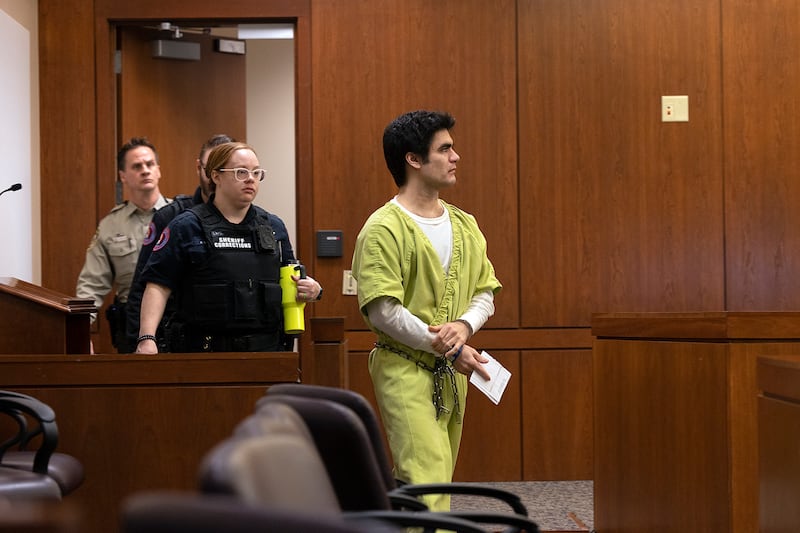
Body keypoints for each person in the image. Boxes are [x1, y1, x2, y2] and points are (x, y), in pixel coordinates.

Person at [351, 110, 501, 512]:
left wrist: (465, 327)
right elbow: (383, 310)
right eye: (445, 148)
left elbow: (485, 292)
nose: (456, 157)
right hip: (404, 367)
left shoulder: (465, 224)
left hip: (452, 372)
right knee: (426, 477)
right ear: (413, 160)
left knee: (440, 477)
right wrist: (449, 346)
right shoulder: (383, 228)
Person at [135, 141, 322, 354]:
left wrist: (312, 289)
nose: (250, 178)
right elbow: (158, 286)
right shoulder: (186, 225)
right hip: (203, 353)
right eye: (241, 172)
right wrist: (146, 338)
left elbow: (291, 279)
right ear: (216, 176)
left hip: (266, 351)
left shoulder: (272, 226)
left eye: (256, 172)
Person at [124, 134, 235, 352]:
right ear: (199, 167)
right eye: (209, 169)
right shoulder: (171, 218)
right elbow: (143, 287)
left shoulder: (254, 222)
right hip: (179, 340)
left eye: (223, 169)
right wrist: (139, 342)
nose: (215, 178)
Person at [76, 137, 171, 353]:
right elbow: (91, 284)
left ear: (158, 170)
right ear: (123, 176)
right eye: (137, 166)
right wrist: (79, 331)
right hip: (131, 322)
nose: (145, 170)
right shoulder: (111, 225)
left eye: (150, 164)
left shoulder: (181, 217)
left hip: (176, 318)